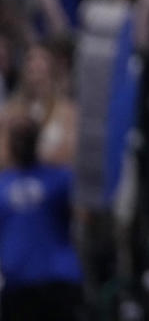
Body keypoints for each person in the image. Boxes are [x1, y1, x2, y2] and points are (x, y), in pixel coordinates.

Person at [0, 115, 83, 321]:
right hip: (17, 285)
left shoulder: (60, 178)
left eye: (25, 134)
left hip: (57, 281)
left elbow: (84, 213)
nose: (20, 140)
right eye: (16, 135)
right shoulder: (2, 183)